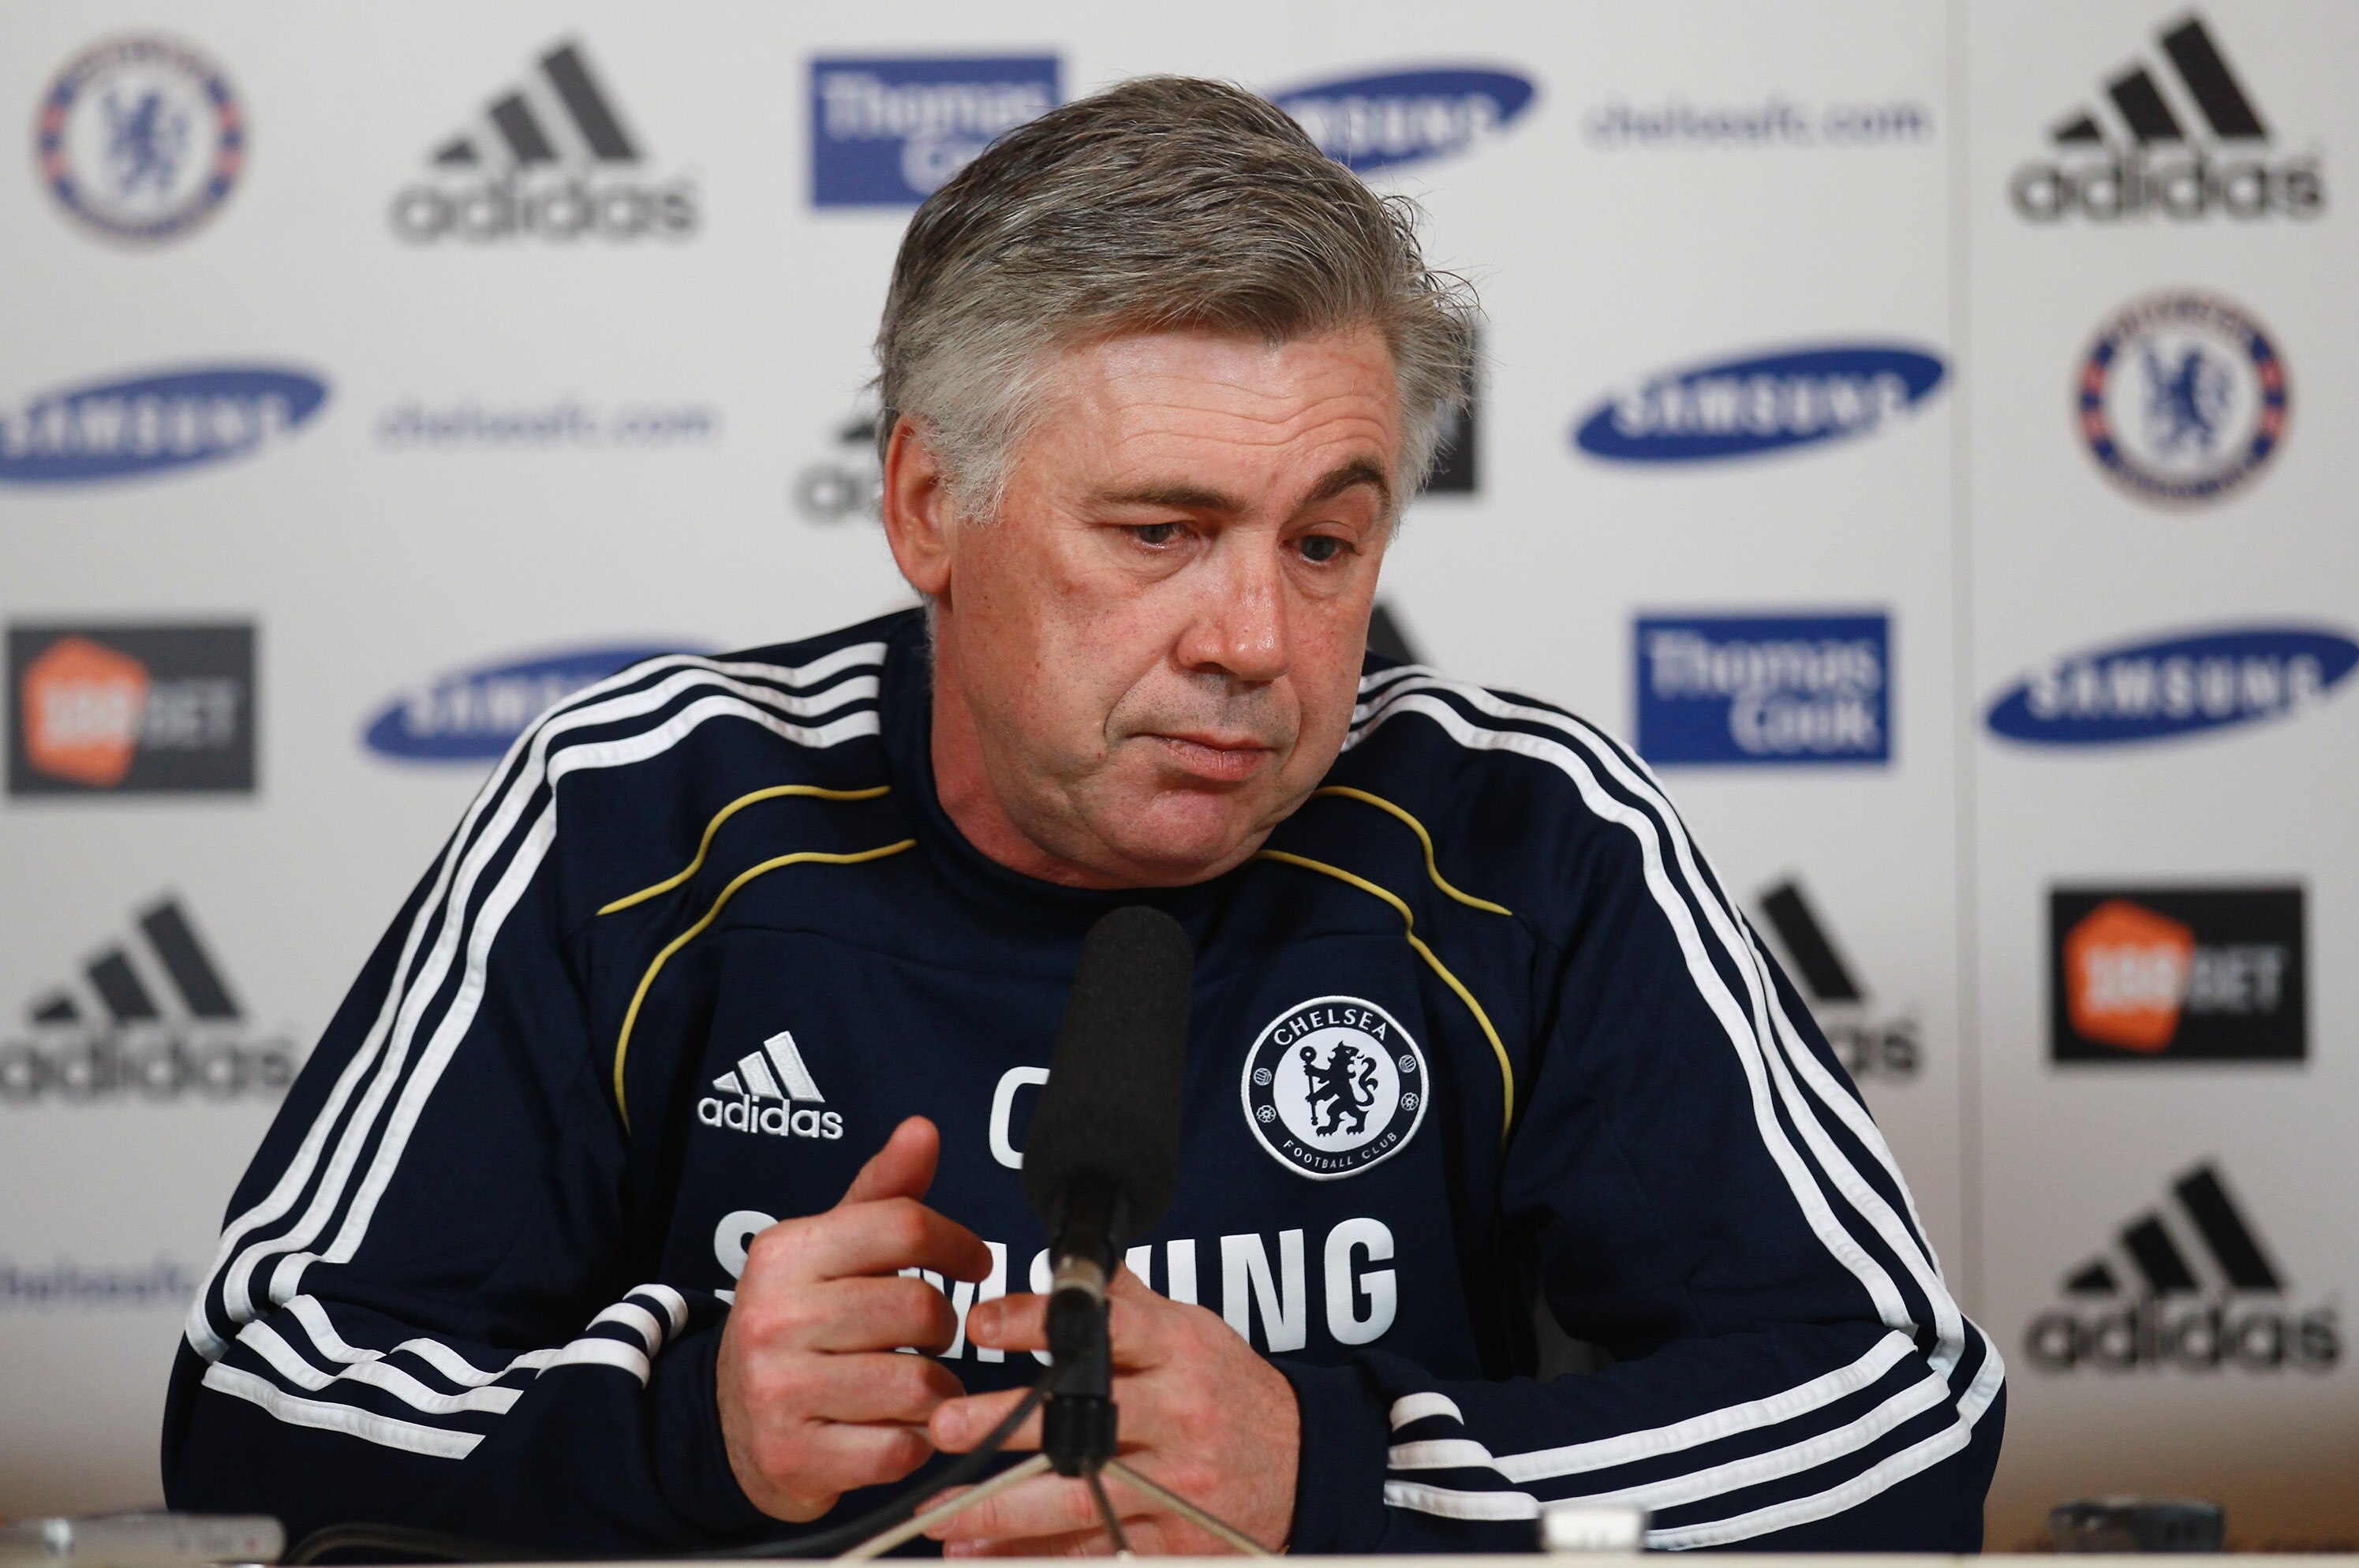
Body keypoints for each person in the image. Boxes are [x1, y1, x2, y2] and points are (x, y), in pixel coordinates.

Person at [163, 77, 2001, 1555]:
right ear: (926, 510)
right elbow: (253, 1401)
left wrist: (1345, 1479)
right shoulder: (645, 813)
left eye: (1326, 544)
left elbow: (1899, 1410)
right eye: (1158, 532)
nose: (1256, 642)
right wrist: (688, 1423)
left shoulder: (1529, 838)